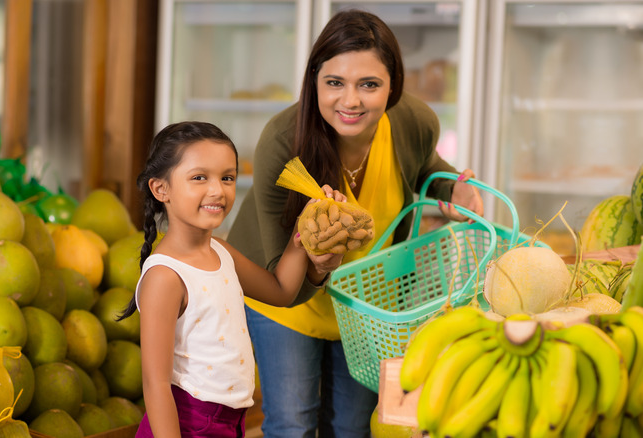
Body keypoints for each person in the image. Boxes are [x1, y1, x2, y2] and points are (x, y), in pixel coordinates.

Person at [226, 9, 484, 437]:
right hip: (285, 301)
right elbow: (278, 280)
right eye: (335, 83)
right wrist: (319, 264)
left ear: (393, 86)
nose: (350, 101)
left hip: (367, 302)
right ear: (314, 81)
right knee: (292, 423)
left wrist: (452, 188)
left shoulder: (413, 122)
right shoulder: (281, 140)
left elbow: (426, 166)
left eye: (369, 84)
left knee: (352, 426)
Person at [117, 121, 346, 437]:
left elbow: (280, 291)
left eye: (227, 177)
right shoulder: (165, 276)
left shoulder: (220, 251)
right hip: (189, 423)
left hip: (228, 421)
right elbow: (155, 384)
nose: (217, 190)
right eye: (199, 177)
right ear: (161, 189)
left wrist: (303, 233)